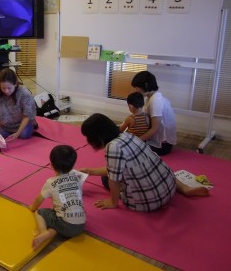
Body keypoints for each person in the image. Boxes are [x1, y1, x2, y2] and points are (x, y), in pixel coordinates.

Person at [80, 113, 209, 212]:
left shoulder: (112, 148)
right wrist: (89, 171)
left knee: (106, 179)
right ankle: (185, 189)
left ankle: (122, 197)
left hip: (149, 201)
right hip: (169, 186)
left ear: (97, 136)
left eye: (88, 137)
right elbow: (118, 167)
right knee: (157, 167)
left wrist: (113, 202)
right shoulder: (127, 136)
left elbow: (114, 178)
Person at [29, 145, 86, 250]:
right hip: (81, 224)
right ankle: (51, 232)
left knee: (40, 212)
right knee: (59, 213)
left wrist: (32, 208)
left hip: (66, 226)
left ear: (51, 164)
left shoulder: (51, 182)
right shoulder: (77, 179)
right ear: (73, 165)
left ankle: (44, 232)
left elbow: (38, 200)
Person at [131, 71, 177, 155]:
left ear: (145, 85)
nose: (136, 90)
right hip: (157, 139)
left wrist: (135, 141)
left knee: (126, 146)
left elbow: (154, 129)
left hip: (162, 146)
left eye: (137, 87)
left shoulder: (156, 101)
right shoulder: (151, 97)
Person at [0, 68, 36, 141]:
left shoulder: (24, 93)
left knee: (24, 135)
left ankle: (32, 124)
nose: (6, 91)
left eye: (9, 88)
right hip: (5, 125)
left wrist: (17, 133)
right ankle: (9, 131)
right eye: (3, 88)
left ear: (15, 84)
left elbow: (27, 115)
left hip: (21, 122)